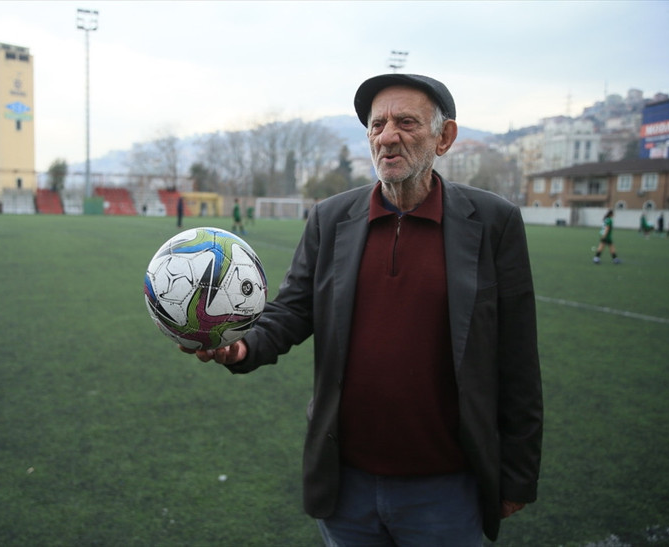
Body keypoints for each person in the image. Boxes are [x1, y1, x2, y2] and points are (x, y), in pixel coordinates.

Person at [182, 74, 543, 544]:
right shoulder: (331, 218)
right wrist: (243, 345)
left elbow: (518, 357)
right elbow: (292, 310)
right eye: (377, 125)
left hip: (448, 488)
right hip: (346, 486)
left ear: (444, 137)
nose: (387, 136)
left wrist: (517, 475)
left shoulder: (494, 222)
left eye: (406, 123)